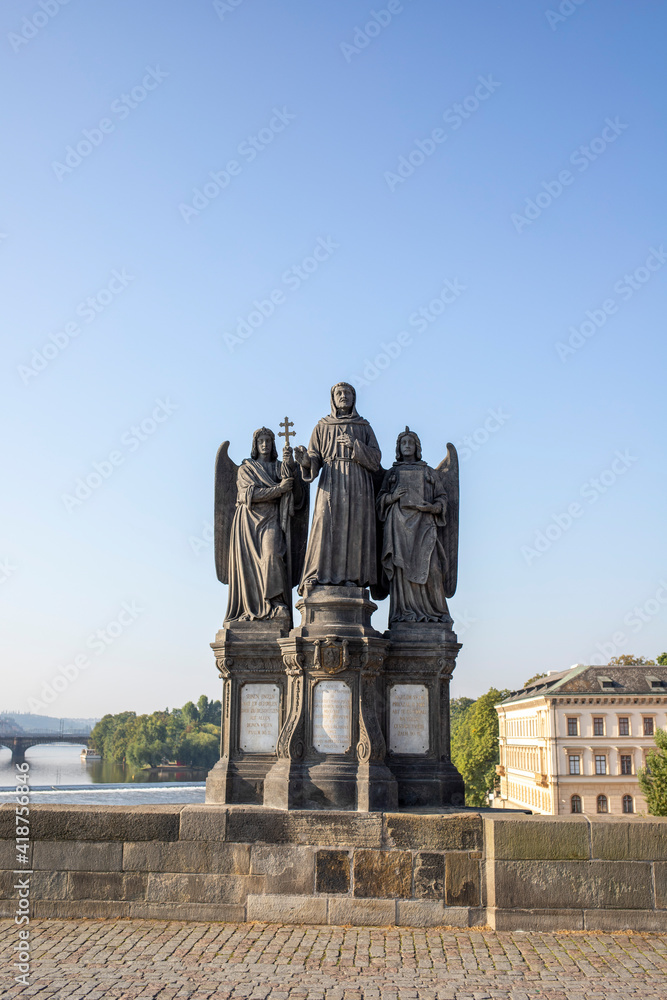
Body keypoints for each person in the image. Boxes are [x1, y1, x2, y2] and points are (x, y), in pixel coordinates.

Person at [295, 383, 381, 592]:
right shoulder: (322, 426)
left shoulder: (363, 426)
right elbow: (315, 457)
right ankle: (319, 574)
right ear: (333, 398)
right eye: (339, 393)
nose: (343, 396)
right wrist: (305, 460)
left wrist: (355, 446)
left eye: (348, 393)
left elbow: (376, 459)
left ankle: (352, 577)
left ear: (354, 398)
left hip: (358, 481)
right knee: (325, 523)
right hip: (331, 480)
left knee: (354, 527)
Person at [376, 427, 451, 624]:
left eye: (410, 443)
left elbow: (442, 497)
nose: (407, 446)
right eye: (403, 443)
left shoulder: (428, 472)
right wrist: (392, 497)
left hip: (424, 525)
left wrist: (433, 507)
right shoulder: (392, 473)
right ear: (398, 448)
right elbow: (379, 499)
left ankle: (436, 612)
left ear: (417, 447)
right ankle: (404, 614)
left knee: (433, 568)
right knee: (401, 570)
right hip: (398, 527)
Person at [225, 427, 295, 623]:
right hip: (248, 521)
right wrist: (278, 489)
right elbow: (249, 495)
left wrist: (290, 466)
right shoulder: (246, 468)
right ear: (255, 445)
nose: (265, 444)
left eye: (268, 441)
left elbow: (294, 496)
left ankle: (275, 603)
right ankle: (251, 607)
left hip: (271, 518)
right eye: (261, 441)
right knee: (249, 567)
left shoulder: (279, 467)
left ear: (273, 444)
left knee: (272, 555)